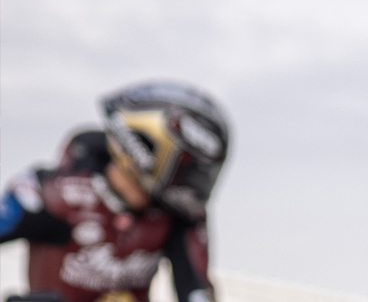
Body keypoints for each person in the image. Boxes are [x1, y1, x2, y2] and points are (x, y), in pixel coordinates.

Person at [0, 82, 228, 302]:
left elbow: (197, 293)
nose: (193, 185)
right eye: (189, 169)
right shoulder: (46, 194)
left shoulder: (180, 216)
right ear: (149, 148)